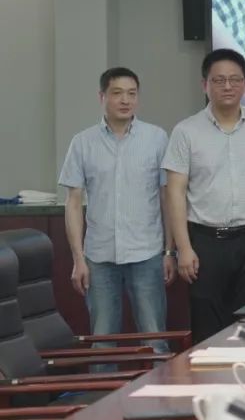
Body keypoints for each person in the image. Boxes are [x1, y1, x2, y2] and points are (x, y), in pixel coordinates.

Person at [163, 49, 245, 343]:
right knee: (207, 330)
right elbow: (175, 193)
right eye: (219, 80)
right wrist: (182, 248)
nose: (227, 86)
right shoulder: (186, 131)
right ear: (205, 85)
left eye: (234, 79)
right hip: (205, 244)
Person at [58, 67, 171, 354]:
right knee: (102, 342)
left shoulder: (157, 138)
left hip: (146, 253)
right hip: (99, 257)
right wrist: (78, 259)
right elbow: (73, 203)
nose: (125, 100)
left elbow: (167, 198)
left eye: (132, 94)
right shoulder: (82, 142)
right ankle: (103, 385)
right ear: (102, 97)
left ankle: (161, 386)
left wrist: (169, 251)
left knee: (155, 339)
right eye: (117, 93)